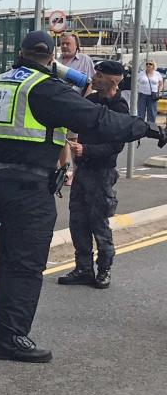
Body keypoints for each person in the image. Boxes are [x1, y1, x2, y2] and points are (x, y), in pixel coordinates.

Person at [0, 31, 166, 363]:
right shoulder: (44, 89)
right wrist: (149, 129)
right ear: (51, 59)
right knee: (26, 265)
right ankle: (11, 337)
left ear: (22, 52)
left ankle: (2, 327)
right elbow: (98, 120)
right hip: (30, 188)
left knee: (9, 258)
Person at [61, 61, 130, 289]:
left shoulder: (119, 107)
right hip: (83, 171)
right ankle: (83, 268)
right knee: (77, 221)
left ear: (112, 80)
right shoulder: (89, 101)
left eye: (99, 76)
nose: (94, 78)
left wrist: (86, 150)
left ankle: (104, 269)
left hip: (102, 173)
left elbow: (116, 145)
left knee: (98, 222)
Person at [136, 60, 163, 124]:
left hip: (153, 96)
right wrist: (138, 90)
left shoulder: (157, 74)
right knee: (140, 112)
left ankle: (151, 128)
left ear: (153, 65)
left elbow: (161, 83)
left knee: (152, 113)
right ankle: (140, 127)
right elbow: (136, 82)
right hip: (142, 95)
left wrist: (159, 91)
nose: (148, 65)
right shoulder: (141, 73)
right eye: (147, 64)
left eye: (150, 64)